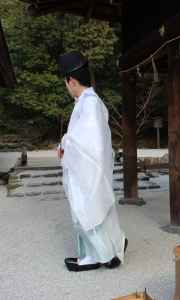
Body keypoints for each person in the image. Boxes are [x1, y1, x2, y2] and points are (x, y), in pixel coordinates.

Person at [57, 51, 127, 272]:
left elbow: (87, 143)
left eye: (65, 82)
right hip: (92, 167)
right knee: (101, 211)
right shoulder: (89, 101)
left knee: (86, 211)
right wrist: (67, 144)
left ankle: (96, 257)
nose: (66, 87)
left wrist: (65, 146)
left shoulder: (89, 104)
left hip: (88, 169)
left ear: (72, 80)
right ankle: (114, 248)